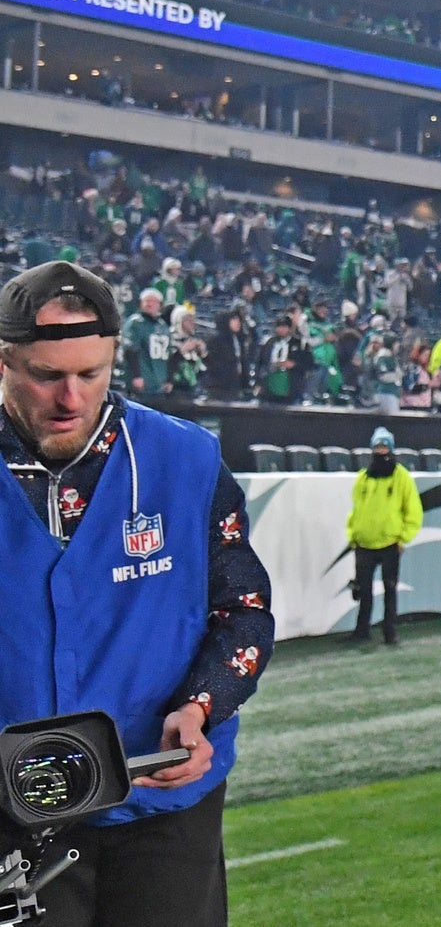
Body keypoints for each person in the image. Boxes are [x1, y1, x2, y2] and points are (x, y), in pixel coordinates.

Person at [0, 261, 274, 925]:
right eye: (47, 375)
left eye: (91, 374)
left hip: (164, 813)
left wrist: (202, 705)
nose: (71, 396)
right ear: (3, 361)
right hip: (12, 818)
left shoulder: (186, 459)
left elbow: (244, 611)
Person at [346, 427, 421, 645]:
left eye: (384, 446)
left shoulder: (402, 477)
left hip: (390, 543)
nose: (380, 451)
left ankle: (390, 632)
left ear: (391, 448)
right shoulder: (363, 478)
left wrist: (403, 538)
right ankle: (362, 631)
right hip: (364, 544)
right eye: (377, 446)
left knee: (390, 589)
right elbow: (356, 509)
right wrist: (353, 535)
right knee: (364, 591)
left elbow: (413, 510)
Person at [119, 286, 172, 400]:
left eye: (153, 301)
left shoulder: (163, 326)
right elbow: (130, 350)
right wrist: (136, 375)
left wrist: (169, 379)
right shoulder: (135, 322)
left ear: (160, 305)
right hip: (142, 382)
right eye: (147, 301)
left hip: (159, 383)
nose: (149, 304)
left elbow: (169, 354)